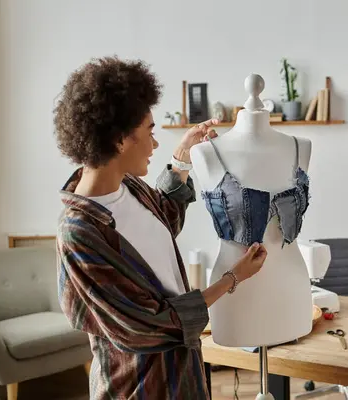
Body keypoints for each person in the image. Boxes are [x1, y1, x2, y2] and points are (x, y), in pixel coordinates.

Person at [53, 56, 268, 400]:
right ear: (121, 139)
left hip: (182, 373)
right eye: (150, 131)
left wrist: (182, 156)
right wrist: (232, 279)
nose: (155, 144)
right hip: (138, 386)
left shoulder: (127, 187)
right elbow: (148, 325)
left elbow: (163, 217)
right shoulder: (80, 232)